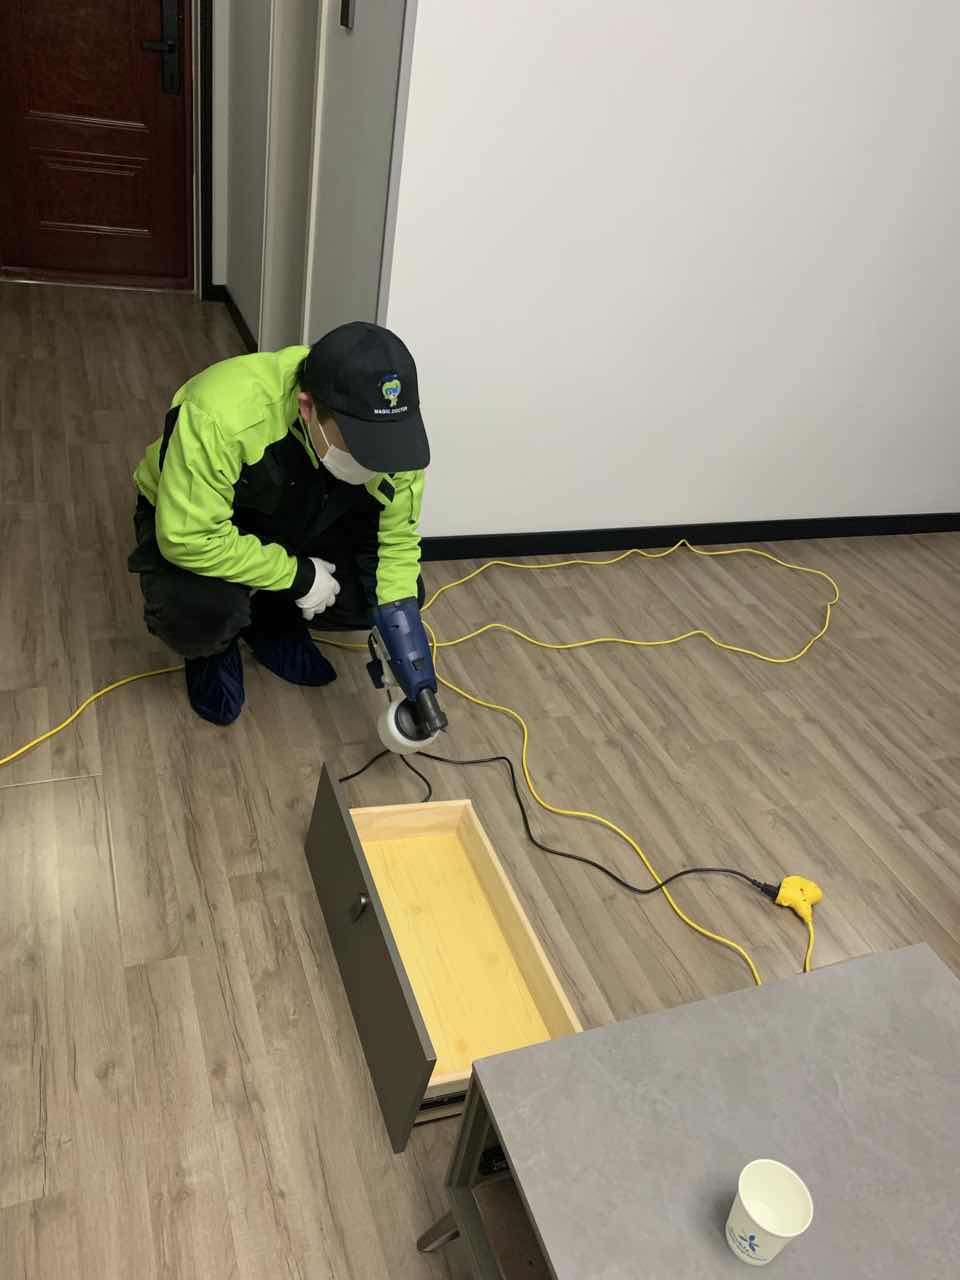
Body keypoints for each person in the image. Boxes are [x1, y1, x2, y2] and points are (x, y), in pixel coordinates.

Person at [129, 321, 433, 726]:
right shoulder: (222, 412)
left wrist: (409, 657)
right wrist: (298, 576)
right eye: (360, 447)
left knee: (384, 594)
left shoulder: (395, 440)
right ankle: (212, 649)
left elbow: (395, 543)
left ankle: (271, 623)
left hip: (302, 508)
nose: (376, 461)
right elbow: (189, 536)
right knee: (199, 613)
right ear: (308, 408)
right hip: (200, 517)